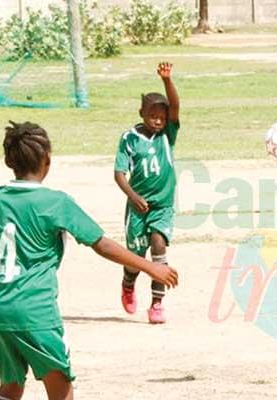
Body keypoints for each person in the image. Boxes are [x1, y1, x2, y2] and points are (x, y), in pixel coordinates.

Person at [0, 121, 178, 400]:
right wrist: (150, 267)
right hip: (35, 312)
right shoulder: (55, 202)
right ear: (47, 160)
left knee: (11, 388)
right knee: (61, 391)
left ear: (9, 161)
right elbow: (102, 244)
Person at [114, 62, 181, 323]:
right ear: (141, 113)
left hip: (162, 205)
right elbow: (119, 174)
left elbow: (175, 106)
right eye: (153, 115)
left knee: (158, 244)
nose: (158, 120)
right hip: (137, 207)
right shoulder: (129, 138)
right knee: (135, 256)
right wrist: (133, 196)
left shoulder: (168, 134)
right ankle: (128, 283)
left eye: (162, 117)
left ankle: (157, 304)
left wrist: (167, 80)